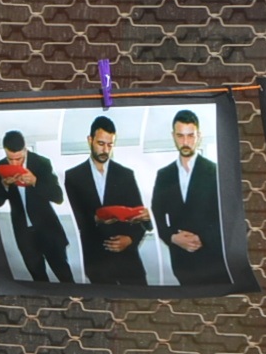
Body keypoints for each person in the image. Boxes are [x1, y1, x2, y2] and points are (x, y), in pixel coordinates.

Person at [64, 116, 148, 288]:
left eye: (110, 145)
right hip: (96, 263)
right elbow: (73, 221)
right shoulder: (73, 177)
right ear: (90, 140)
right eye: (101, 143)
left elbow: (141, 218)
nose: (105, 150)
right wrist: (95, 219)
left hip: (129, 262)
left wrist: (130, 240)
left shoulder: (126, 175)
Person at [151, 109, 229, 287]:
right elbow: (157, 213)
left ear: (199, 135)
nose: (185, 142)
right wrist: (171, 237)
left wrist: (203, 239)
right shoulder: (164, 175)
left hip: (213, 260)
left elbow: (227, 215)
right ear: (173, 136)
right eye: (180, 136)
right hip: (180, 262)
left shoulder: (216, 172)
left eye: (190, 136)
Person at [0, 130, 72, 285]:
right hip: (24, 235)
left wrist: (35, 182)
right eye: (10, 159)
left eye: (19, 159)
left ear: (25, 150)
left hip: (49, 231)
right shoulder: (0, 166)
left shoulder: (41, 163)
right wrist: (4, 185)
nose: (14, 164)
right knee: (38, 279)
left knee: (65, 276)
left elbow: (58, 196)